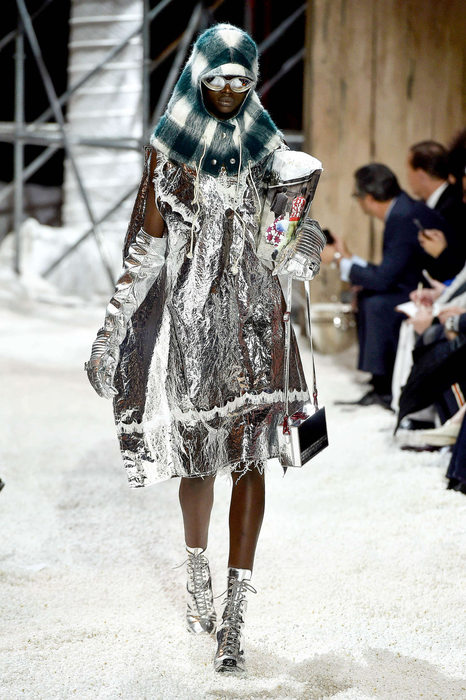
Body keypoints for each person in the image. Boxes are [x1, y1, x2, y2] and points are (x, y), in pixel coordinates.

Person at [85, 24, 321, 674]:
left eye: (241, 79)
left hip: (259, 323)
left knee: (251, 459)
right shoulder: (171, 153)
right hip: (193, 326)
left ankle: (235, 615)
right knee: (197, 461)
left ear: (253, 80)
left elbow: (293, 243)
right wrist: (111, 333)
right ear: (197, 76)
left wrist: (303, 241)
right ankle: (197, 574)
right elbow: (147, 250)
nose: (228, 90)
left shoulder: (271, 153)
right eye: (216, 77)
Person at [328, 163, 445, 408]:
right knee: (368, 293)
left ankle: (384, 387)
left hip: (437, 289)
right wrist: (348, 259)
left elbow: (384, 279)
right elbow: (390, 272)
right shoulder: (401, 208)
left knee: (375, 302)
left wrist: (338, 259)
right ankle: (379, 382)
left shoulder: (402, 217)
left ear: (369, 198)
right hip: (414, 283)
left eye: (357, 196)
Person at [406, 140, 465, 276]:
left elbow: (459, 258)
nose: (407, 177)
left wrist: (441, 253)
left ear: (420, 174)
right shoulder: (426, 205)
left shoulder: (456, 205)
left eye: (409, 171)